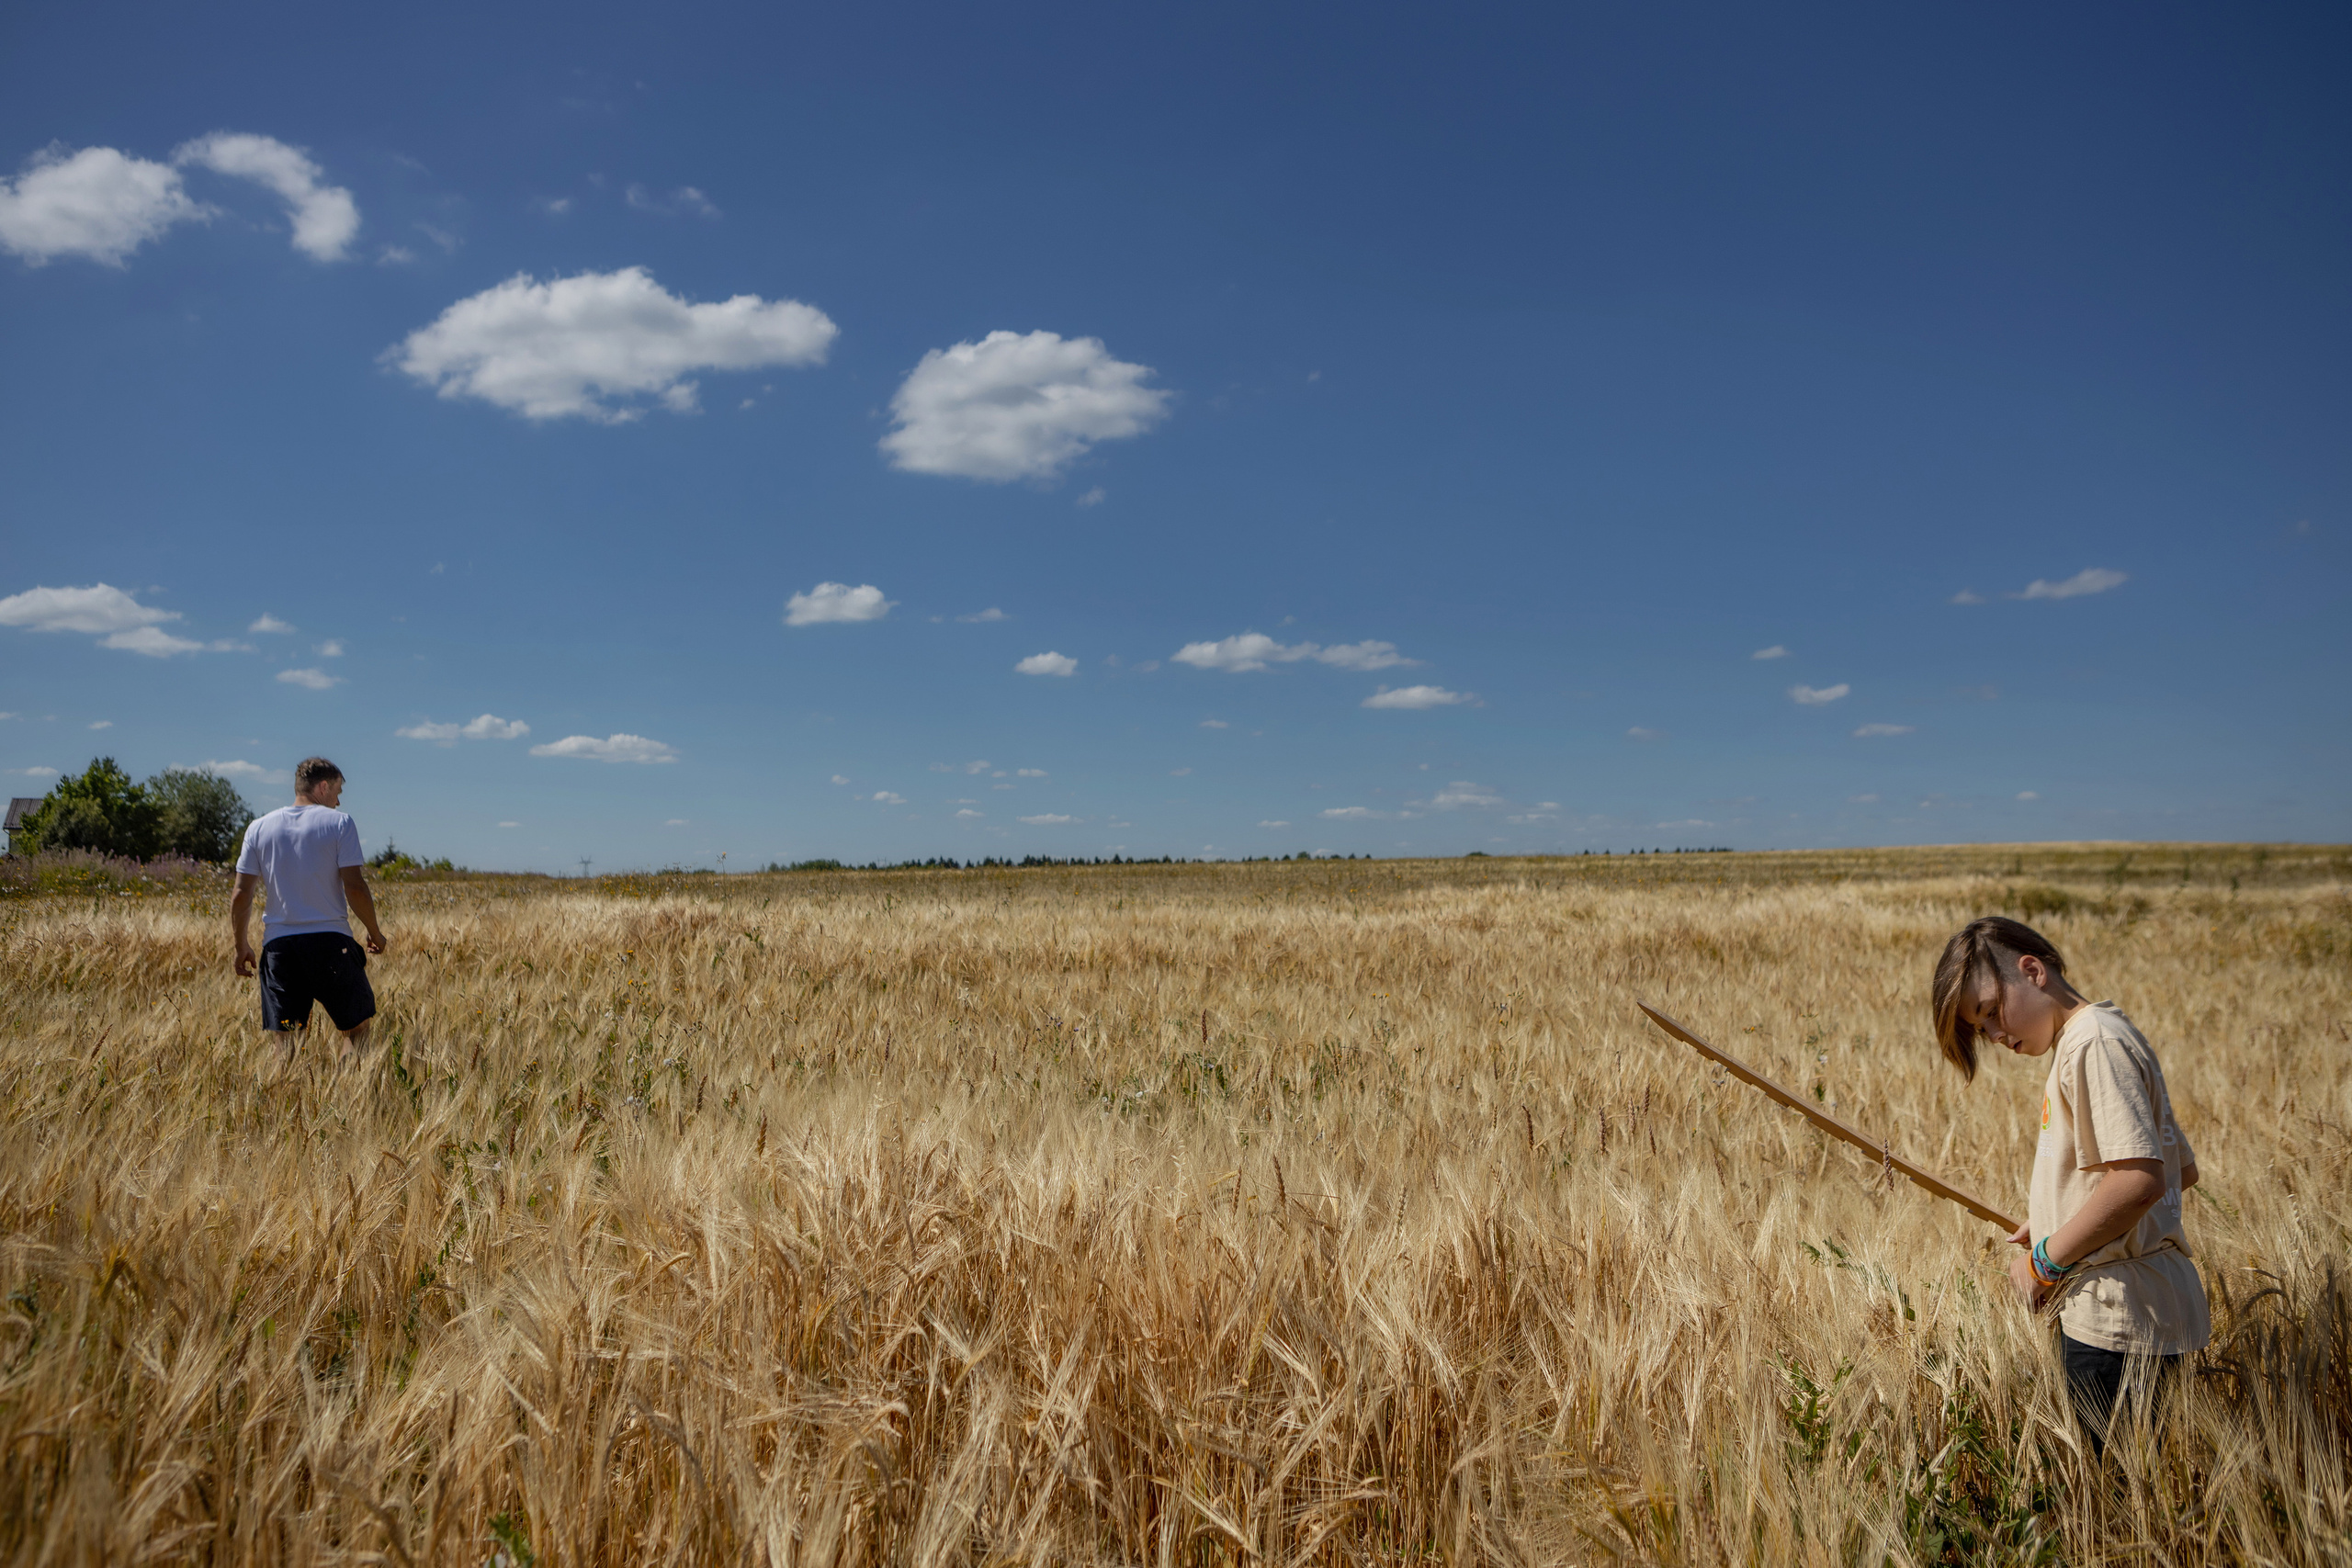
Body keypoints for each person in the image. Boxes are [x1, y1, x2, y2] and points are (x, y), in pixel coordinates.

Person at [1931, 916, 2209, 1456]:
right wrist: (2063, 1215)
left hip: (2115, 1317)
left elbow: (2139, 1180)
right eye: (1981, 1030)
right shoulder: (2108, 1032)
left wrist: (2043, 1263)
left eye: (1990, 1011)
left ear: (2032, 971)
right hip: (2145, 1309)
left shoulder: (2090, 1044)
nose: (1996, 1036)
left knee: (2107, 1495)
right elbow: (2180, 1169)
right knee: (2136, 1486)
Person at [231, 756, 389, 1066]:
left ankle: (285, 1095)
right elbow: (355, 887)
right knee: (356, 1031)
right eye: (338, 792)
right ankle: (348, 1091)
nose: (338, 801)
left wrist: (240, 945)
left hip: (279, 949)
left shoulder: (258, 828)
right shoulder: (339, 823)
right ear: (323, 787)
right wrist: (375, 933)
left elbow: (241, 894)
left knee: (286, 1042)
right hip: (331, 944)